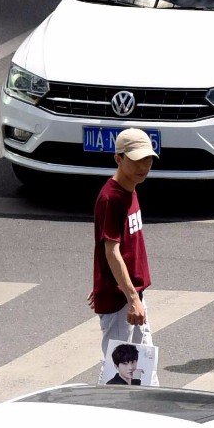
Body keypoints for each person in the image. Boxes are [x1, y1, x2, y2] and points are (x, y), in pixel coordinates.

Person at [88, 129, 157, 377]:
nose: (144, 166)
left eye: (147, 159)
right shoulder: (111, 198)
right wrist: (132, 299)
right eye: (137, 160)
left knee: (142, 367)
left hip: (129, 295)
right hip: (122, 302)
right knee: (119, 372)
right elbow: (111, 251)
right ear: (118, 159)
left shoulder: (131, 188)